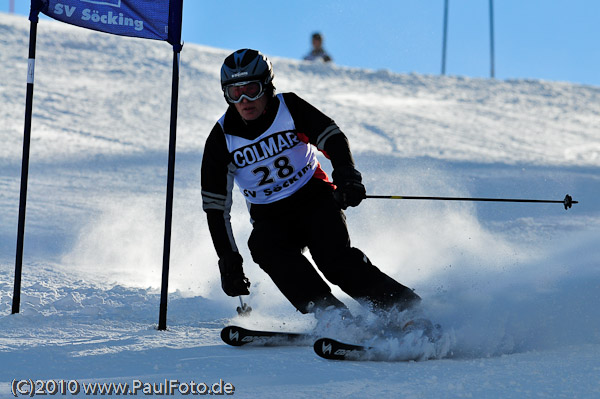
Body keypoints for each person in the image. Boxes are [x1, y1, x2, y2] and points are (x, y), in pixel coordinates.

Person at [201, 49, 420, 320]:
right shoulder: (221, 139)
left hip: (315, 200)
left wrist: (346, 176)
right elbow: (215, 208)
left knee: (334, 261)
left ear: (268, 86)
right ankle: (331, 316)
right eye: (235, 93)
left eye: (252, 89)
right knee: (263, 246)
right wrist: (229, 262)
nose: (245, 100)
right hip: (271, 216)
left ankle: (404, 308)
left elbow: (332, 137)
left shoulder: (289, 108)